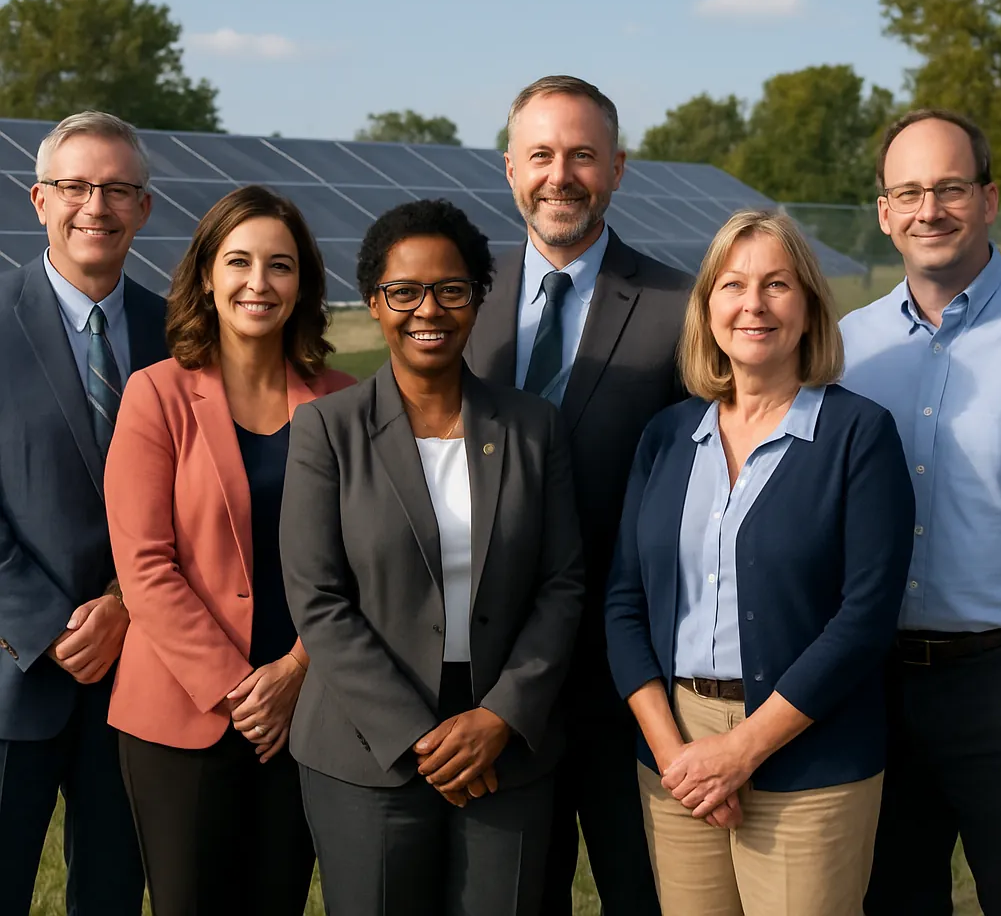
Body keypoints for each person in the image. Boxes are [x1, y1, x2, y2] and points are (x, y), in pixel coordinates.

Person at [280, 198, 586, 916]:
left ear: (477, 299)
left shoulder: (533, 427)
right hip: (367, 749)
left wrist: (501, 716)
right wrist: (417, 737)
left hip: (503, 743)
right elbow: (317, 598)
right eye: (405, 291)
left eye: (451, 289)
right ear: (374, 302)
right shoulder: (328, 428)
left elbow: (563, 584)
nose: (429, 310)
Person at [605, 209, 916, 916]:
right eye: (733, 285)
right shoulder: (666, 436)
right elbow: (624, 602)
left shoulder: (859, 435)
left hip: (810, 758)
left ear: (808, 305)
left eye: (777, 284)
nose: (754, 304)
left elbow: (864, 619)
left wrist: (742, 750)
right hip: (677, 755)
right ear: (707, 306)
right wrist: (675, 757)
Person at [464, 74, 691, 915]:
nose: (560, 176)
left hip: (629, 678)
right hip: (491, 681)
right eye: (541, 156)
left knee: (645, 893)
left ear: (618, 169)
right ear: (510, 169)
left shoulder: (680, 305)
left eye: (583, 156)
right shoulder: (460, 297)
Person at [102, 185, 354, 916]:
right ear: (207, 276)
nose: (258, 282)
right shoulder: (156, 395)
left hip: (305, 712)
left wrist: (295, 672)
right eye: (239, 261)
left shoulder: (345, 402)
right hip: (181, 717)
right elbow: (144, 567)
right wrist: (241, 692)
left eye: (280, 265)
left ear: (302, 282)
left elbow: (366, 560)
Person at [841, 109, 1001, 916]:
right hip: (872, 689)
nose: (930, 210)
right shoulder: (846, 349)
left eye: (950, 188)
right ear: (885, 213)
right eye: (909, 192)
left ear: (989, 199)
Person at [0, 111, 166, 915]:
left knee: (111, 897)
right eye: (75, 186)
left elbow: (209, 494)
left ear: (144, 207)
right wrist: (50, 626)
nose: (95, 206)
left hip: (144, 678)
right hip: (13, 671)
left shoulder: (183, 332)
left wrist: (128, 603)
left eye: (117, 189)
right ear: (39, 200)